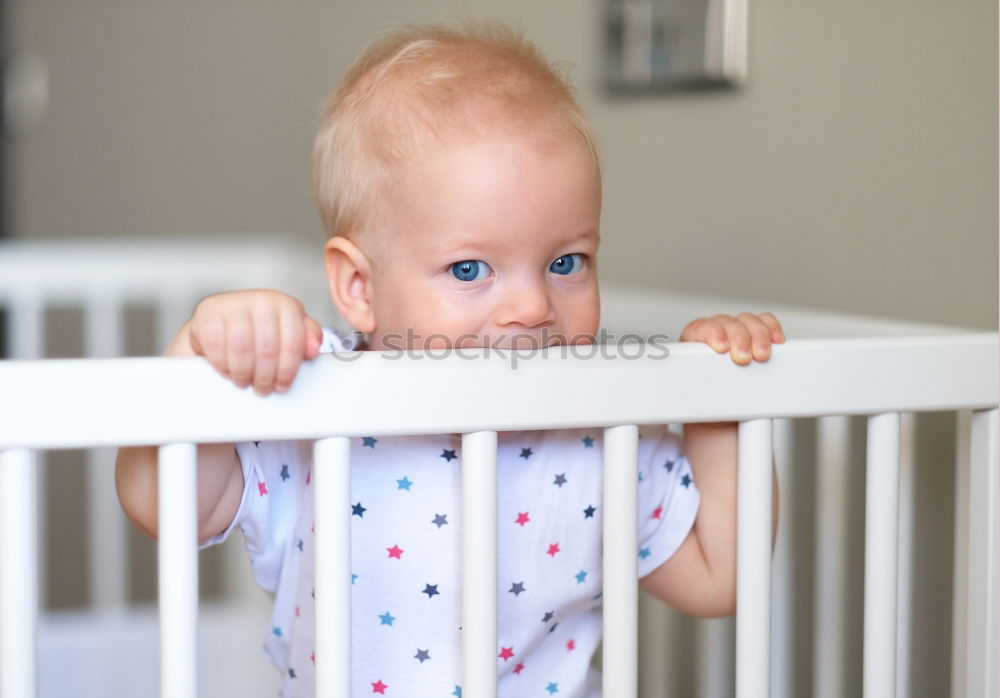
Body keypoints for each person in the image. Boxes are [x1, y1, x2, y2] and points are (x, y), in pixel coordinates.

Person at [116, 22, 783, 697]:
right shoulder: (318, 409)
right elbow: (164, 504)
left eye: (565, 262)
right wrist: (204, 353)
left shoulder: (604, 437)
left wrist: (716, 402)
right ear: (359, 288)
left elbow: (718, 575)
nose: (532, 306)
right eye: (470, 268)